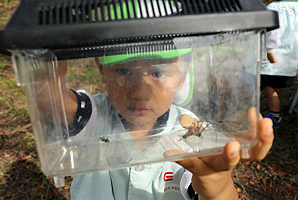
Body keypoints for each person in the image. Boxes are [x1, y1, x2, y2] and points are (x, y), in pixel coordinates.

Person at [44, 48, 274, 200]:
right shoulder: (92, 114)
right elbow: (51, 102)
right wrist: (46, 75)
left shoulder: (192, 129)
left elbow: (220, 188)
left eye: (158, 72)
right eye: (123, 70)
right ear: (101, 68)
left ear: (183, 74)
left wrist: (218, 185)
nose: (140, 93)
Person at [261, 0, 298, 127]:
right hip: (289, 56)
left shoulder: (274, 7)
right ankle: (275, 116)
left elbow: (270, 29)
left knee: (257, 88)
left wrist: (270, 50)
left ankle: (249, 114)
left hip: (269, 55)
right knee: (271, 88)